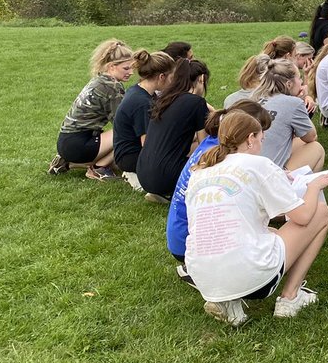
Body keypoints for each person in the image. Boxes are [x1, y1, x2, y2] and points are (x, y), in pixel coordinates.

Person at [185, 111, 328, 327]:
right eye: (261, 139)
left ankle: (228, 300)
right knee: (320, 212)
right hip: (254, 276)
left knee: (269, 233)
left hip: (202, 276)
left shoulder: (200, 171)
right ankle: (290, 297)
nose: (261, 146)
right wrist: (313, 187)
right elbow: (302, 217)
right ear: (250, 139)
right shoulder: (259, 164)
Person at [167, 100, 271, 283]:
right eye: (260, 132)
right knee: (271, 237)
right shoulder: (225, 158)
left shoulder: (213, 145)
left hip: (180, 239)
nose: (263, 138)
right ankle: (207, 274)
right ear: (247, 133)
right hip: (192, 244)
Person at [50, 39, 134, 179]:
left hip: (66, 141)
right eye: (126, 68)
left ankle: (67, 163)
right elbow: (122, 123)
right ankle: (98, 168)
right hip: (80, 144)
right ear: (112, 66)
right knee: (129, 132)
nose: (131, 72)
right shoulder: (112, 86)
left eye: (132, 67)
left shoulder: (99, 79)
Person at [137, 59, 211, 201]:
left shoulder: (162, 99)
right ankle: (172, 189)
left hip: (143, 174)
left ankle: (160, 191)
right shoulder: (196, 102)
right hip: (167, 176)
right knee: (210, 157)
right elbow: (204, 146)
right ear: (201, 79)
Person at [113, 49, 176, 189]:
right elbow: (148, 144)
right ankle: (138, 176)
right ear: (161, 77)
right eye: (172, 77)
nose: (173, 82)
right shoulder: (142, 103)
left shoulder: (141, 91)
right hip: (130, 157)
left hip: (129, 152)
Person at [253, 59, 324, 171]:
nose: (301, 82)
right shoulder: (293, 103)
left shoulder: (255, 99)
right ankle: (297, 186)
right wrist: (300, 101)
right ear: (289, 84)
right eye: (299, 77)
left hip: (248, 166)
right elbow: (311, 137)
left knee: (297, 141)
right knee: (316, 148)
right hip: (269, 173)